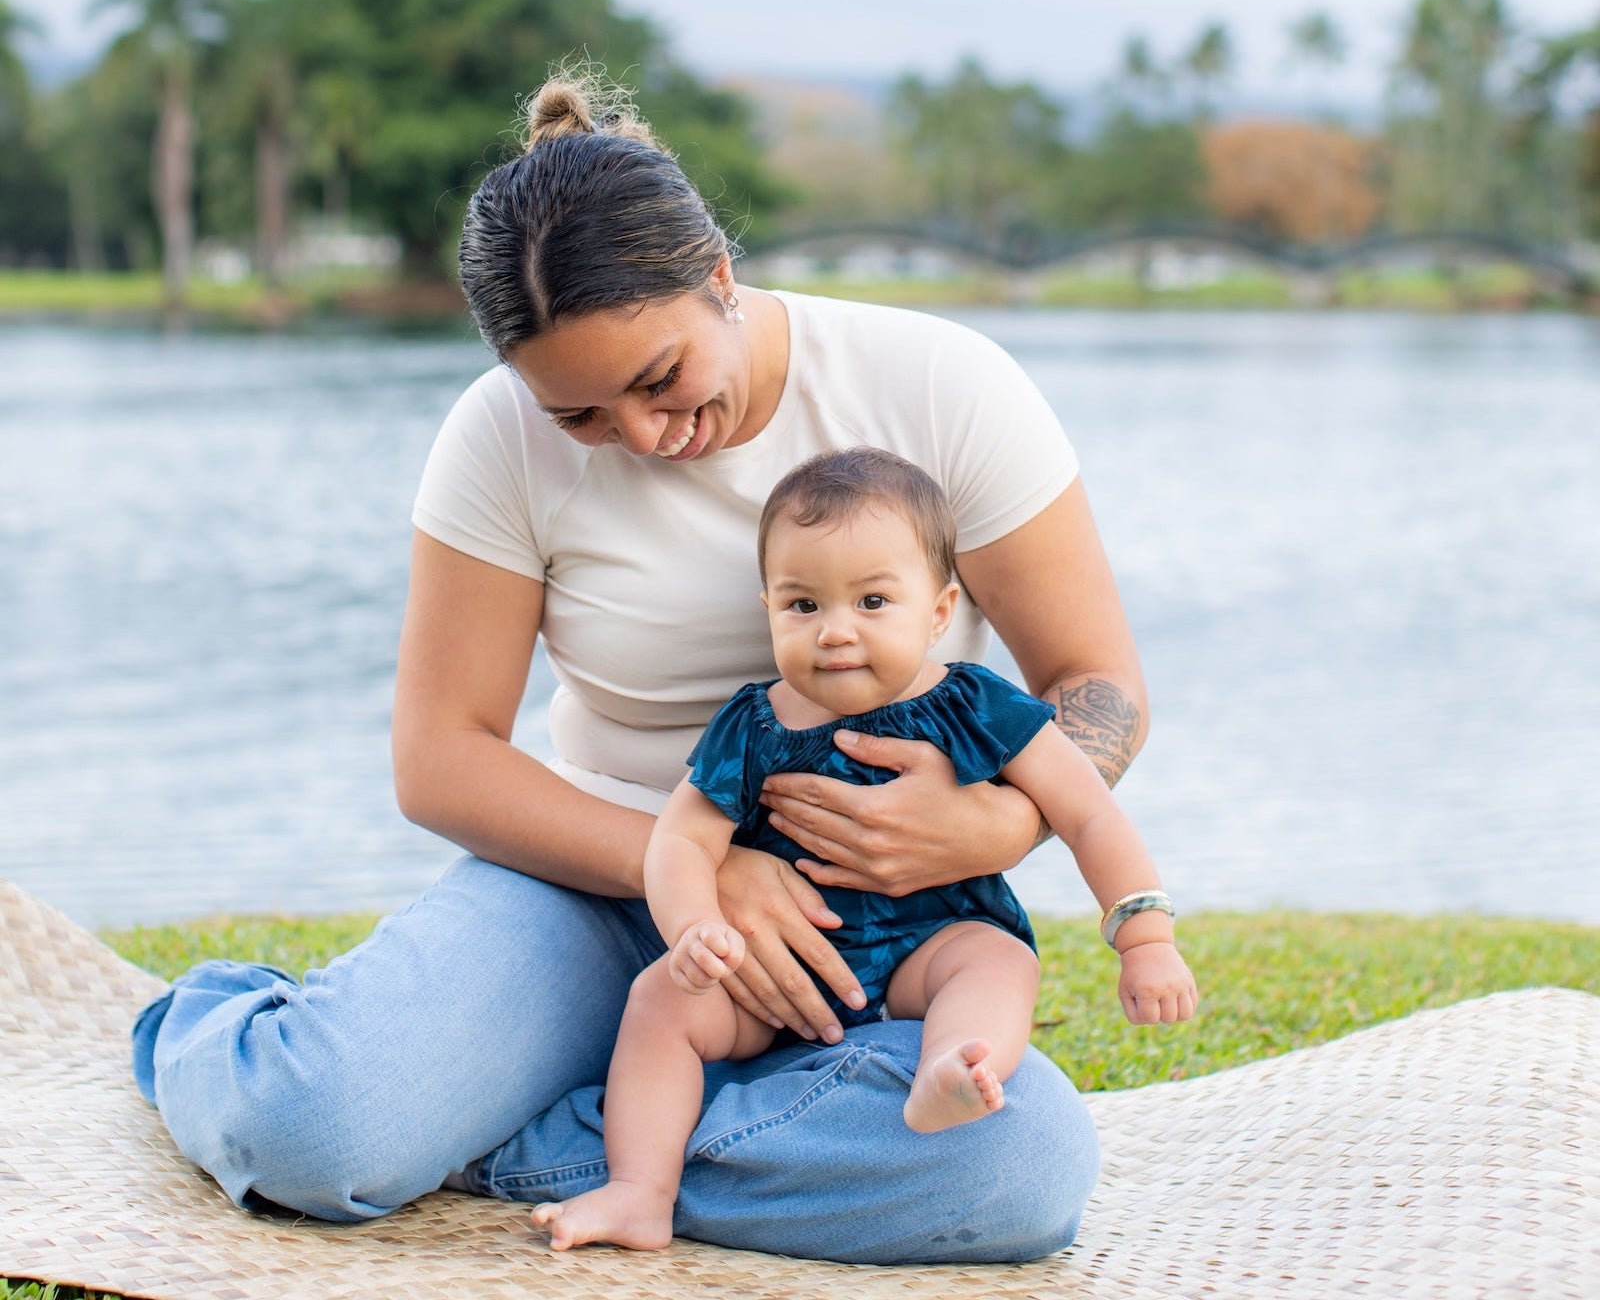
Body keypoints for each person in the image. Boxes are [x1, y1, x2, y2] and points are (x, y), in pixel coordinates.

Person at [131, 69, 1149, 1265]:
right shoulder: (493, 438)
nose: (645, 437)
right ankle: (220, 1027)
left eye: (660, 380)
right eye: (582, 416)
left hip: (886, 925)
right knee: (313, 1129)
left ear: (719, 275)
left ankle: (541, 1141)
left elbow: (1097, 682)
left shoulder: (942, 384)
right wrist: (694, 879)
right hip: (600, 885)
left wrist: (993, 827)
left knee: (1017, 1171)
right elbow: (439, 755)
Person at [531, 448, 1197, 1252]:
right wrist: (694, 928)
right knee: (660, 1002)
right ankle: (639, 1190)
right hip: (782, 966)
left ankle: (949, 1069)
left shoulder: (975, 705)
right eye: (803, 604)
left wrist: (1145, 936)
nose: (836, 630)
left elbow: (1089, 813)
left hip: (931, 943)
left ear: (940, 608)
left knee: (995, 963)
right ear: (768, 607)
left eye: (874, 601)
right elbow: (682, 838)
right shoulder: (753, 724)